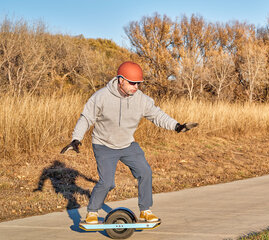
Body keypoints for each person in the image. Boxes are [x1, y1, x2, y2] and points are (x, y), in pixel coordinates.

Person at [61, 61, 198, 224]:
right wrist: (76, 138)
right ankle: (92, 212)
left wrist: (176, 126)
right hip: (104, 145)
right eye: (132, 83)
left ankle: (146, 211)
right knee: (107, 183)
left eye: (138, 83)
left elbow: (157, 115)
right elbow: (86, 118)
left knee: (145, 172)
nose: (136, 87)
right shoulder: (101, 97)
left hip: (127, 144)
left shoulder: (141, 99)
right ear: (121, 80)